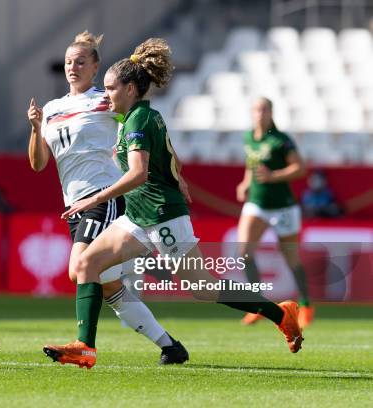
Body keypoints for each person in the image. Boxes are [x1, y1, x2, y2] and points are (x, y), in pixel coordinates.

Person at [43, 38, 304, 369]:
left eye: (111, 88)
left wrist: (94, 199)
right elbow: (163, 155)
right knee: (86, 265)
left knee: (203, 288)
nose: (105, 95)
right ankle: (85, 347)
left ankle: (280, 313)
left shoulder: (138, 120)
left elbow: (137, 174)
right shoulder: (132, 117)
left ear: (131, 88)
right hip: (138, 215)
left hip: (162, 216)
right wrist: (175, 173)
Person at [28, 31, 188, 365]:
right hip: (74, 204)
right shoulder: (54, 109)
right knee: (108, 286)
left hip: (103, 196)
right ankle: (170, 346)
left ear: (95, 67)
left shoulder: (106, 101)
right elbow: (39, 164)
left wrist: (176, 174)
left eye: (81, 62)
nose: (73, 67)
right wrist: (35, 127)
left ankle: (85, 345)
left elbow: (144, 129)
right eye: (69, 61)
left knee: (80, 270)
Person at [236, 97, 313, 328]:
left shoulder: (281, 140)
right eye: (256, 109)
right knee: (244, 253)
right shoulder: (248, 137)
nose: (260, 113)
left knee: (291, 257)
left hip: (283, 207)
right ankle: (259, 305)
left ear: (271, 112)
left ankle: (306, 305)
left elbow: (300, 169)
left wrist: (273, 176)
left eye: (264, 109)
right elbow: (252, 164)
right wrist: (246, 182)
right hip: (257, 204)